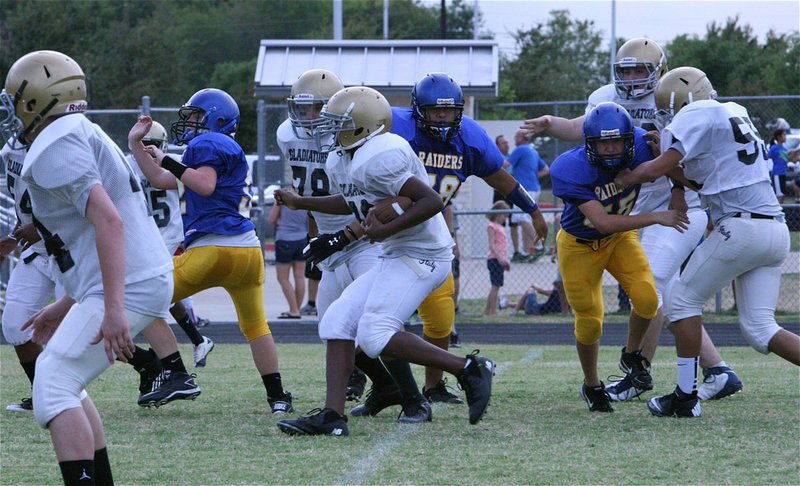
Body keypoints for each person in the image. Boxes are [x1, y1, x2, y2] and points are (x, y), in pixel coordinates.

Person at [0, 50, 193, 484]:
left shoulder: (53, 145)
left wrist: (114, 309)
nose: (11, 111)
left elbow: (108, 220)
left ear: (36, 102)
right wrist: (65, 304)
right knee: (64, 377)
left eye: (16, 100)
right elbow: (89, 236)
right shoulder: (79, 130)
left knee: (51, 383)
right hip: (136, 276)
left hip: (131, 282)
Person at [521, 37, 742, 403]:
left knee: (649, 284)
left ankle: (638, 370)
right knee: (669, 293)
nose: (634, 77)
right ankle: (717, 368)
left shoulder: (673, 97)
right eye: (627, 70)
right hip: (633, 210)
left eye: (641, 69)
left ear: (660, 71)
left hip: (677, 207)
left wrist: (675, 191)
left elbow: (679, 152)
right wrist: (549, 122)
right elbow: (581, 128)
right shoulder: (607, 98)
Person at [275, 86, 495, 436]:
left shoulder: (379, 154)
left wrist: (379, 232)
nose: (326, 128)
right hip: (396, 254)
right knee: (334, 323)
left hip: (424, 255)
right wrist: (304, 203)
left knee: (375, 334)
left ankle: (468, 367)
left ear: (362, 126)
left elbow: (431, 202)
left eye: (336, 123)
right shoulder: (344, 157)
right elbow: (353, 201)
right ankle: (333, 417)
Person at [616, 67, 800, 417]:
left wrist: (631, 175)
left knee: (681, 301)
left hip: (742, 230)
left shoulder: (697, 113)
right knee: (761, 328)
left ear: (683, 102)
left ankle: (685, 396)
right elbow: (703, 183)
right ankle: (690, 391)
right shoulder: (734, 113)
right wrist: (668, 165)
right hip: (775, 230)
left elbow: (657, 167)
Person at [128, 87, 293, 414]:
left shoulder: (208, 143)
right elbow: (162, 179)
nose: (189, 123)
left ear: (215, 119)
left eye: (196, 116)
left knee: (139, 292)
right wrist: (137, 146)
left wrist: (166, 159)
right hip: (247, 252)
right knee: (256, 326)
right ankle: (278, 397)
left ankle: (176, 374)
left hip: (214, 249)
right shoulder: (216, 147)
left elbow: (203, 184)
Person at [551, 101, 690, 413]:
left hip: (618, 240)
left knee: (647, 299)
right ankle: (592, 385)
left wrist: (667, 170)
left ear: (630, 139)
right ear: (589, 144)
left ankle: (631, 355)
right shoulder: (569, 168)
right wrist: (657, 216)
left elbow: (679, 170)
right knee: (590, 323)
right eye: (604, 142)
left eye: (617, 142)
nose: (611, 149)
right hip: (579, 244)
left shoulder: (644, 144)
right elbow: (602, 222)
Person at [128, 121, 215, 368]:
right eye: (143, 145)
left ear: (162, 146)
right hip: (148, 237)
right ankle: (195, 341)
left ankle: (162, 359)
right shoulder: (128, 163)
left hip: (171, 236)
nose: (147, 151)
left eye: (152, 146)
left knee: (153, 297)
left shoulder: (173, 161)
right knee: (160, 296)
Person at [507, 130, 549, 261]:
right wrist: (532, 176)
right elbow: (546, 169)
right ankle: (526, 252)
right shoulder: (533, 151)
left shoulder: (520, 149)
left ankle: (540, 247)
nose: (514, 138)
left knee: (520, 217)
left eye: (516, 136)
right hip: (535, 188)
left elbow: (505, 165)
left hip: (524, 189)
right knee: (525, 218)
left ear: (523, 138)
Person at [267, 201, 309, 318]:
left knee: (283, 278)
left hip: (285, 239)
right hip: (302, 239)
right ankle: (296, 308)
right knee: (299, 277)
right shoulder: (303, 198)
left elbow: (271, 219)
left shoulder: (282, 199)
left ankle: (294, 310)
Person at [485, 201, 511, 316]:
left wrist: (505, 261)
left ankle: (487, 310)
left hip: (500, 259)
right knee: (495, 286)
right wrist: (500, 258)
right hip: (494, 259)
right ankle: (492, 311)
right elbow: (492, 244)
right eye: (504, 216)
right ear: (498, 214)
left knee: (496, 285)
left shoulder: (501, 227)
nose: (505, 219)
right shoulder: (492, 226)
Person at [767, 128, 789, 203]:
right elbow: (767, 156)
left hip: (783, 174)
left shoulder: (784, 149)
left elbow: (787, 159)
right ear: (779, 137)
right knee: (779, 196)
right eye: (784, 135)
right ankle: (776, 213)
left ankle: (780, 212)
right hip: (777, 174)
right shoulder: (774, 148)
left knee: (783, 195)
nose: (785, 136)